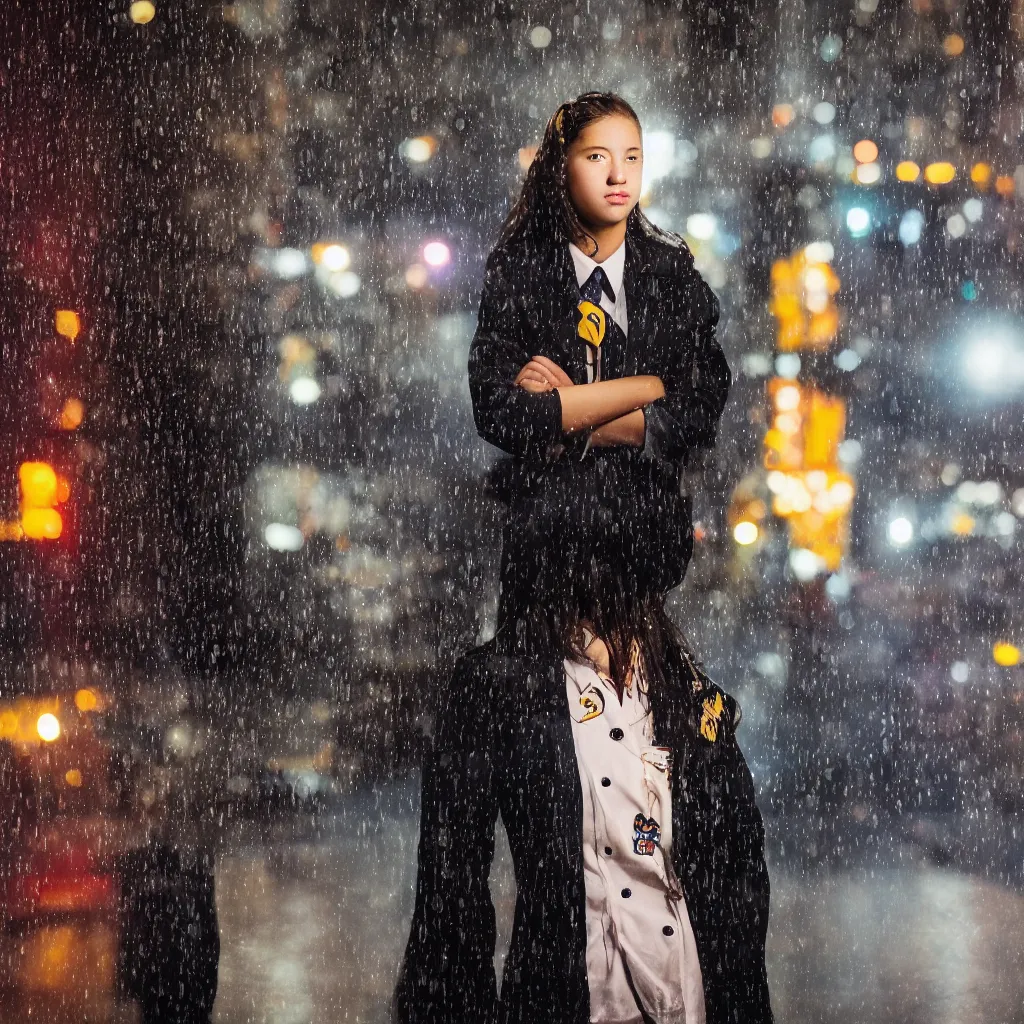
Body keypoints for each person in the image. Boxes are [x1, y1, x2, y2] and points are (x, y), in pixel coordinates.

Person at [394, 461, 774, 1024]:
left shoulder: (692, 699)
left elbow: (740, 876)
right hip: (563, 1001)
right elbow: (450, 896)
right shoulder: (499, 686)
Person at [468, 91, 732, 614]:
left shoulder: (670, 277)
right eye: (597, 157)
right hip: (543, 567)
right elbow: (498, 413)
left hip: (645, 563)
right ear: (559, 168)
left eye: (631, 157)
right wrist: (644, 391)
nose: (619, 177)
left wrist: (571, 414)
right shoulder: (520, 275)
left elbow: (700, 410)